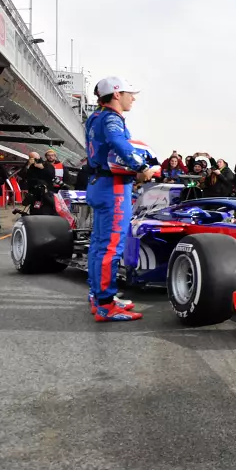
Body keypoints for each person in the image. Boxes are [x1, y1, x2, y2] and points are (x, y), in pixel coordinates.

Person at [84, 77, 153, 322]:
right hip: (112, 187)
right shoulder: (112, 118)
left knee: (98, 244)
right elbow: (117, 142)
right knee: (111, 247)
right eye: (129, 93)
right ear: (116, 95)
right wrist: (141, 166)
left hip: (97, 184)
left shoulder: (94, 117)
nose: (132, 98)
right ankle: (106, 305)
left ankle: (98, 296)